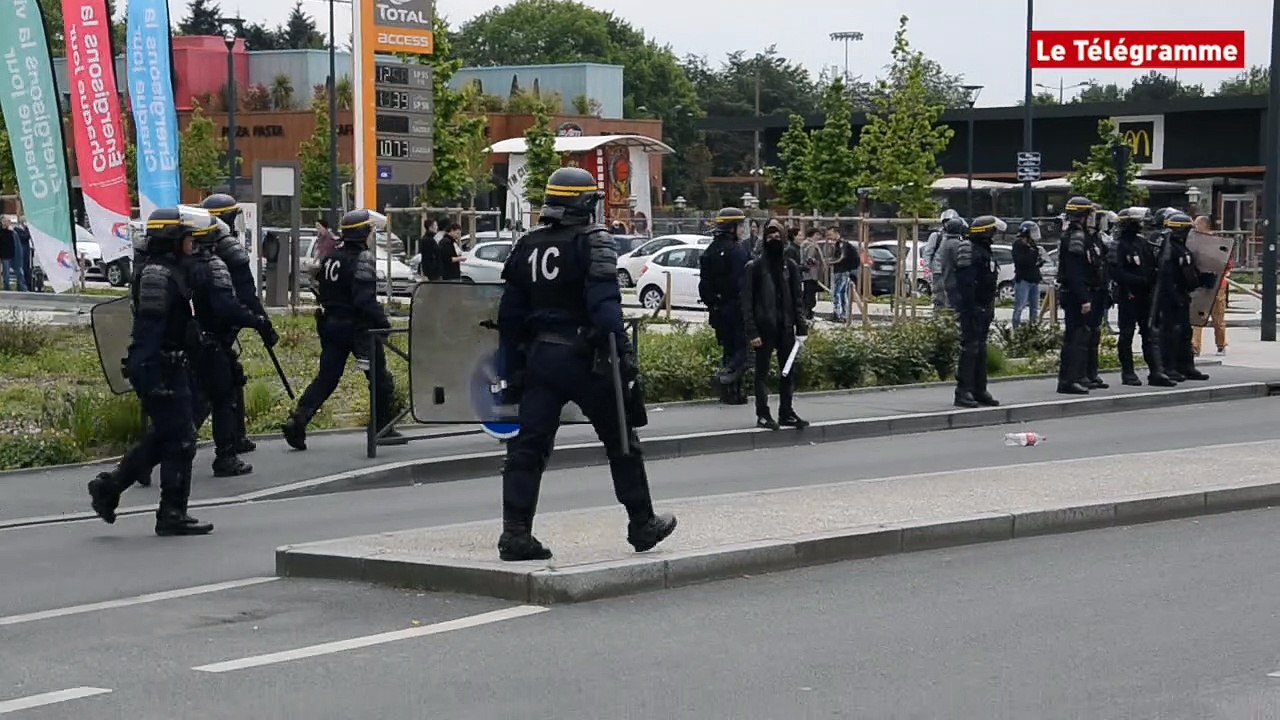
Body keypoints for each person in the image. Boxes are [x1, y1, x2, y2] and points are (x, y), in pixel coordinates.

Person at [494, 166, 676, 561]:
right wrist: (623, 357)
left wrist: (512, 369)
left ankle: (516, 534)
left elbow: (508, 317)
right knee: (621, 441)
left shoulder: (527, 245)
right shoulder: (594, 242)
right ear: (583, 204)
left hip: (540, 359)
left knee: (527, 448)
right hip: (586, 358)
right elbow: (605, 308)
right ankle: (641, 524)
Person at [87, 207, 214, 536]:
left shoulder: (170, 269)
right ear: (173, 240)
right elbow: (150, 329)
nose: (192, 244)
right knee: (181, 438)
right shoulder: (158, 275)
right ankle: (170, 513)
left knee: (166, 437)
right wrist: (152, 374)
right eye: (187, 238)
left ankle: (110, 488)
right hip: (160, 366)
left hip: (170, 364)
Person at [282, 209, 399, 450]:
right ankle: (382, 429)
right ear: (362, 233)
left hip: (332, 325)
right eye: (370, 230)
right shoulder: (363, 259)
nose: (371, 235)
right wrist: (384, 325)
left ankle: (299, 419)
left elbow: (319, 287)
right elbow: (364, 300)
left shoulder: (331, 257)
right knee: (380, 380)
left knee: (327, 378)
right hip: (359, 329)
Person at [184, 211, 272, 477]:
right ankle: (225, 456)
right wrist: (254, 319)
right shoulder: (213, 265)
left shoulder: (184, 264)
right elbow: (228, 304)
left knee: (208, 395)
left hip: (195, 338)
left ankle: (154, 454)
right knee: (218, 398)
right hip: (213, 340)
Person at [201, 194, 280, 456]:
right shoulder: (229, 249)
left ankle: (236, 438)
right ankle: (163, 450)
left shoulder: (199, 247)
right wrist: (262, 324)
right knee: (211, 392)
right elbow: (246, 295)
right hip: (218, 328)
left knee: (230, 380)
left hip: (200, 326)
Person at [743, 219, 809, 429]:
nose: (774, 239)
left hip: (786, 329)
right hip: (763, 329)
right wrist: (752, 331)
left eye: (777, 236)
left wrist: (801, 326)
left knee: (788, 373)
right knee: (761, 373)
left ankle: (786, 412)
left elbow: (797, 299)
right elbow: (746, 303)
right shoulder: (754, 267)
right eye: (770, 236)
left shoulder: (789, 267)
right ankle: (763, 414)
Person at [1110, 207, 1175, 388]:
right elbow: (1117, 273)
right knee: (1126, 335)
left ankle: (1156, 371)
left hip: (1146, 296)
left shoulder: (1143, 243)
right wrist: (1141, 280)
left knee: (1150, 334)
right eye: (1138, 222)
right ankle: (1128, 372)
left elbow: (1153, 266)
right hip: (1128, 295)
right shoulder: (1118, 245)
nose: (1141, 225)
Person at [698, 207, 751, 405]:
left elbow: (704, 285)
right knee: (743, 351)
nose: (742, 229)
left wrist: (714, 303)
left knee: (728, 349)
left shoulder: (710, 251)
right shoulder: (737, 251)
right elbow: (743, 283)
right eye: (740, 225)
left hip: (718, 310)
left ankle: (731, 393)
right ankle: (727, 378)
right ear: (732, 228)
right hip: (736, 309)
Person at [949, 216, 1003, 408]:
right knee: (970, 348)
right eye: (993, 231)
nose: (995, 235)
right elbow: (966, 283)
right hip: (972, 308)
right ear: (985, 232)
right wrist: (972, 308)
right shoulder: (968, 249)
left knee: (980, 349)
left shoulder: (984, 251)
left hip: (983, 306)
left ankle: (979, 389)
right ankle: (963, 392)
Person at [1156, 211, 1211, 382]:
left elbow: (1187, 273)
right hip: (1169, 297)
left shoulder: (1182, 248)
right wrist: (1174, 296)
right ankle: (1170, 367)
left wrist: (1202, 279)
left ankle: (1187, 366)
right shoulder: (1168, 249)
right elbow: (1165, 277)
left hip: (1181, 294)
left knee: (1185, 332)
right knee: (1171, 333)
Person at [1056, 197, 1096, 395]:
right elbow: (1074, 271)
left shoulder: (1076, 234)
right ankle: (1069, 380)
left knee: (1079, 336)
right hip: (1075, 294)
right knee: (1075, 338)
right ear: (1083, 215)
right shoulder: (1076, 237)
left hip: (1075, 292)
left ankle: (1076, 377)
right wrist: (1083, 298)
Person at [1080, 207, 1112, 390]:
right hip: (1089, 292)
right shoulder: (1083, 239)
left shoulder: (1098, 240)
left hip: (1099, 290)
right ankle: (1082, 373)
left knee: (1094, 334)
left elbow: (1104, 265)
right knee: (1084, 335)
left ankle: (1092, 373)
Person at [1191, 217, 1229, 356]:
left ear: (1203, 226)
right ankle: (1195, 347)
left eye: (1196, 225)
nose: (1194, 228)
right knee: (1197, 315)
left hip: (1217, 284)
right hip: (1201, 283)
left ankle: (1221, 344)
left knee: (1217, 316)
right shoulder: (1196, 243)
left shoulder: (1218, 243)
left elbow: (1226, 264)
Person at [930, 213, 968, 311]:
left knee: (943, 303)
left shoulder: (945, 242)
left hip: (945, 277)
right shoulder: (956, 244)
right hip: (954, 280)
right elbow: (960, 262)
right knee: (953, 307)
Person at [923, 209, 960, 310]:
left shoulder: (959, 238)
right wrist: (927, 269)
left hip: (953, 272)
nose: (949, 224)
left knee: (952, 299)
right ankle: (939, 318)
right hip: (938, 272)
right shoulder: (936, 236)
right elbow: (927, 253)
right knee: (939, 298)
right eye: (947, 222)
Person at [1010, 221, 1043, 328]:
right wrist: (1032, 253)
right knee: (1019, 306)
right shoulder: (1018, 245)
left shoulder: (1033, 245)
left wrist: (1040, 261)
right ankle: (1016, 328)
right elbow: (1021, 261)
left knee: (1034, 308)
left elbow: (1035, 262)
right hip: (1023, 280)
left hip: (1034, 279)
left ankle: (1033, 328)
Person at [828, 227, 859, 323]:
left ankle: (838, 314)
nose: (829, 236)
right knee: (841, 293)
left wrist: (831, 262)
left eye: (831, 234)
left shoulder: (842, 244)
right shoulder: (838, 244)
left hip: (842, 270)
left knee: (837, 292)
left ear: (837, 233)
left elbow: (842, 257)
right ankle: (842, 314)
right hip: (840, 270)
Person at [0, 215, 24, 292]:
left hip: (14, 255)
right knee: (6, 273)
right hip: (5, 255)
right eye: (6, 221)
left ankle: (22, 287)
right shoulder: (2, 232)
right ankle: (7, 288)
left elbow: (17, 245)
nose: (8, 223)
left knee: (19, 272)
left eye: (9, 221)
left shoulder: (13, 232)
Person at [14, 216, 34, 291]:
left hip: (27, 250)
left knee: (27, 268)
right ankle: (21, 286)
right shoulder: (17, 229)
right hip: (21, 250)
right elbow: (25, 237)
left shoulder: (26, 229)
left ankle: (28, 286)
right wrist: (27, 230)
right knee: (21, 268)